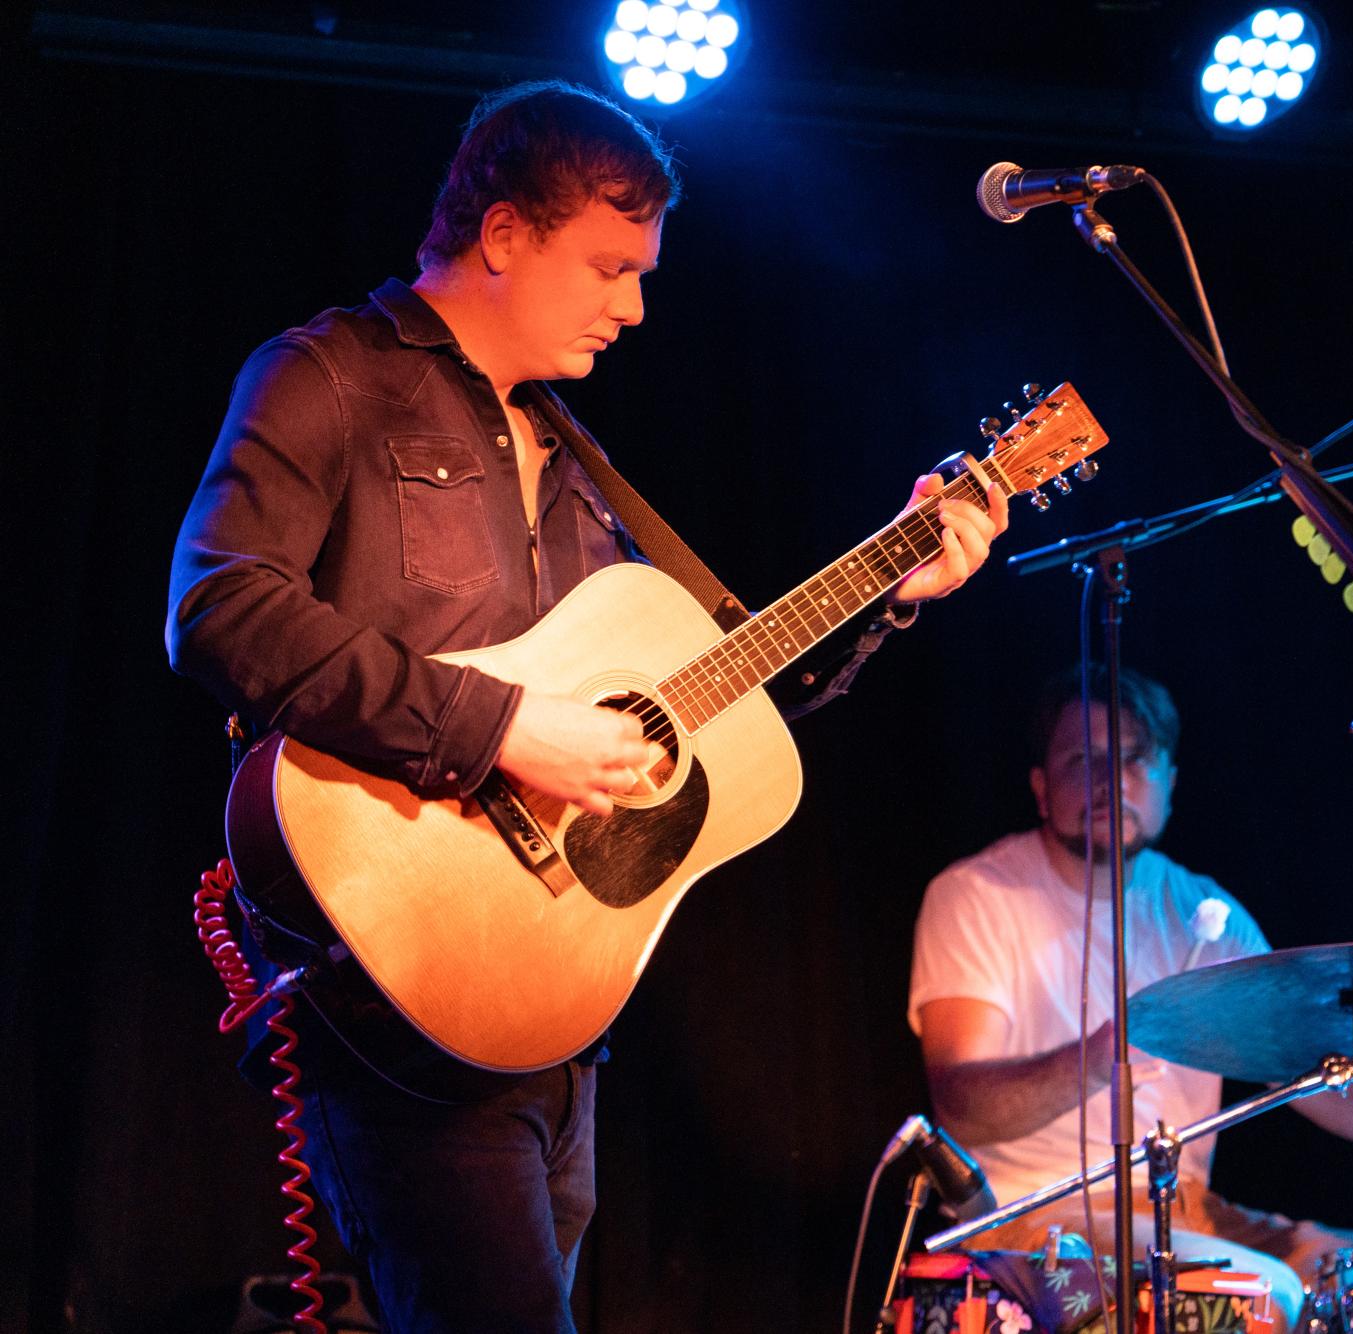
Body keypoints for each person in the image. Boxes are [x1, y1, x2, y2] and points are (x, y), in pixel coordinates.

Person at [167, 81, 1004, 1333]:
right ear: (504, 237)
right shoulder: (327, 376)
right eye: (610, 265)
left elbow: (716, 702)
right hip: (395, 997)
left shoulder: (574, 466)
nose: (635, 305)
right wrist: (500, 728)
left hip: (554, 1022)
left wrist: (897, 581)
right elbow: (219, 608)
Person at [907, 666, 1353, 1325]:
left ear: (1169, 785)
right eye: (1081, 758)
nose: (1109, 779)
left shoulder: (1203, 913)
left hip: (1188, 1209)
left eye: (1133, 760)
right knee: (1262, 1292)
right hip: (1033, 1216)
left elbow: (1316, 1080)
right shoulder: (975, 896)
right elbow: (963, 1107)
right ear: (1039, 788)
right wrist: (1101, 1054)